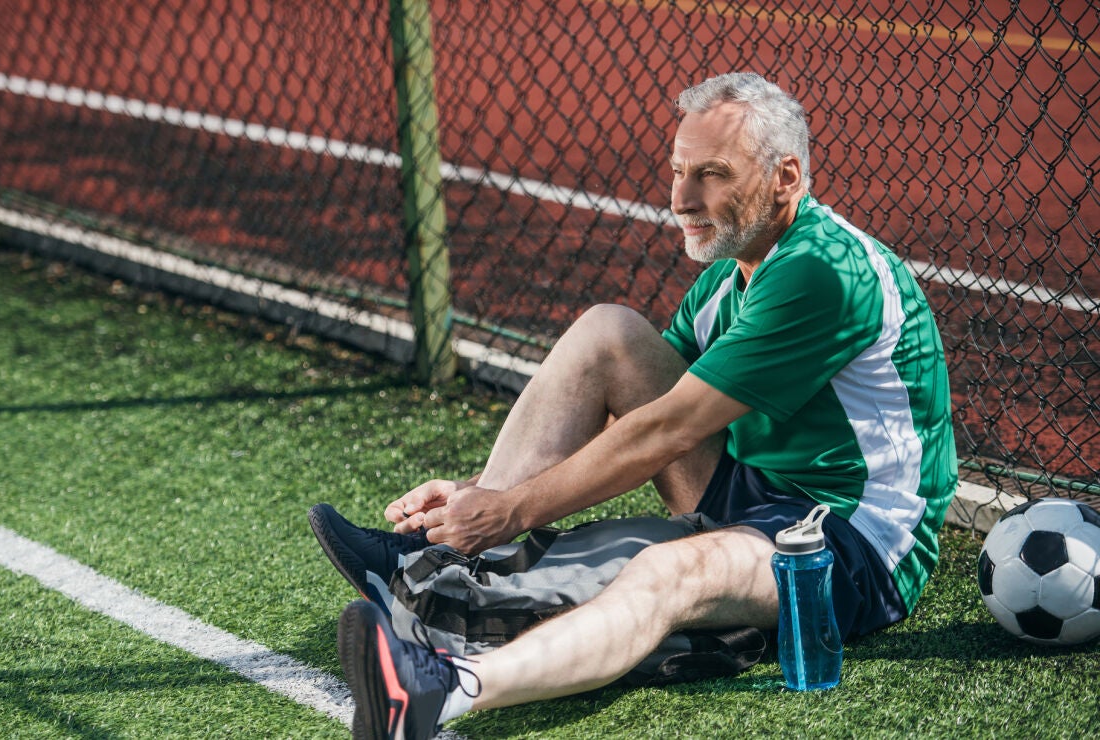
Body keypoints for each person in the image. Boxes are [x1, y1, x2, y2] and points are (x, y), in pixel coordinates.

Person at [309, 71, 957, 739]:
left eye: (712, 174)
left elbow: (669, 429)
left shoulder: (823, 271)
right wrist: (476, 495)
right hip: (754, 490)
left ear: (784, 178)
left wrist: (513, 513)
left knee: (670, 571)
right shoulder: (727, 279)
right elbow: (631, 408)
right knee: (609, 333)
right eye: (678, 172)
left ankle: (439, 691)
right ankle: (444, 555)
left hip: (849, 545)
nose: (681, 199)